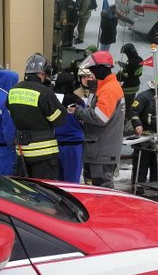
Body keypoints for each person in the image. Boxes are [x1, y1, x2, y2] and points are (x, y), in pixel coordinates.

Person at [7, 53, 67, 180]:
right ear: (42, 74)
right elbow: (59, 120)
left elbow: (10, 111)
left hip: (22, 152)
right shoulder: (45, 92)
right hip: (44, 154)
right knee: (45, 192)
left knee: (26, 191)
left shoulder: (13, 90)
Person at [72, 51, 125, 188]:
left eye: (92, 70)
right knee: (98, 189)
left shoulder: (108, 90)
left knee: (103, 190)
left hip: (102, 150)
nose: (92, 74)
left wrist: (78, 111)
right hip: (102, 149)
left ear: (101, 68)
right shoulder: (108, 87)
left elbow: (100, 117)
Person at [54, 72, 85, 183]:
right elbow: (84, 121)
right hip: (74, 144)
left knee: (56, 182)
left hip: (54, 144)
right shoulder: (77, 102)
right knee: (72, 181)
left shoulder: (51, 100)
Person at [116, 43, 143, 116]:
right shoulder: (140, 59)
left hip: (128, 87)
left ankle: (126, 116)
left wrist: (117, 76)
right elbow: (135, 72)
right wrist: (125, 66)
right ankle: (129, 114)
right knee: (131, 101)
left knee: (125, 103)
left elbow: (124, 75)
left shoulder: (130, 62)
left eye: (126, 53)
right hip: (136, 85)